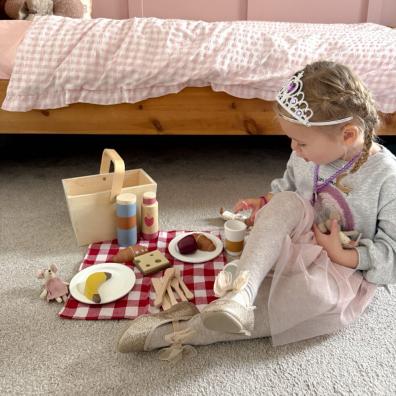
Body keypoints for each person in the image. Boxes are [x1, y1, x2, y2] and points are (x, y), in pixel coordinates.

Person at [116, 61, 396, 362]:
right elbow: (288, 190)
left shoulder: (387, 177)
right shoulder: (304, 153)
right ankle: (241, 293)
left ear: (348, 135)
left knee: (310, 300)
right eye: (292, 140)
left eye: (301, 142)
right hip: (295, 240)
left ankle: (185, 330)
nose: (294, 148)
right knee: (286, 202)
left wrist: (342, 255)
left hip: (341, 268)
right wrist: (266, 201)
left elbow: (391, 254)